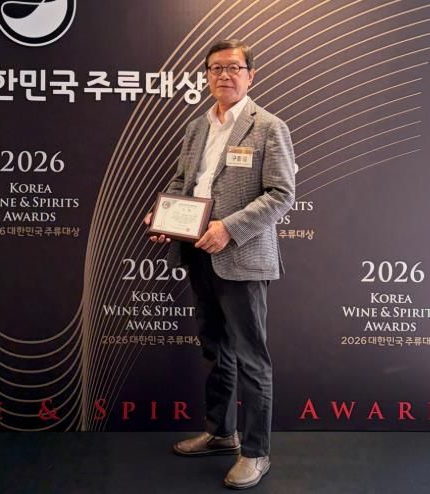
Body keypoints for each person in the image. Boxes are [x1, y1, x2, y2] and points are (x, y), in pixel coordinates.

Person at [144, 39, 296, 490]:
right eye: (215, 68)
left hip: (242, 256)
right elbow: (183, 180)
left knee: (251, 357)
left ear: (251, 75)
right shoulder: (196, 126)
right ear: (206, 76)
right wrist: (165, 216)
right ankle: (220, 432)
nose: (224, 75)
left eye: (233, 68)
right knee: (215, 349)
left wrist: (229, 228)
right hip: (198, 252)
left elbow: (281, 194)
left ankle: (256, 452)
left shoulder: (268, 126)